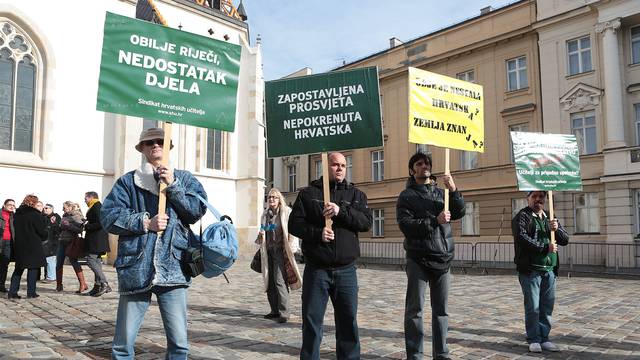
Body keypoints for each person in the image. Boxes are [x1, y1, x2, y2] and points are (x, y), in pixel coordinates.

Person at [101, 127, 207, 359]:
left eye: (160, 141)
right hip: (137, 268)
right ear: (142, 149)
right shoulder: (128, 182)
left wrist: (173, 186)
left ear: (168, 145)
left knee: (179, 344)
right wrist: (144, 222)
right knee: (123, 344)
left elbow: (195, 212)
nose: (155, 145)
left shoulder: (185, 178)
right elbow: (109, 217)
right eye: (150, 143)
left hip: (174, 268)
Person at [289, 152, 372, 360]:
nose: (340, 168)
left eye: (343, 165)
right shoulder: (308, 193)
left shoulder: (356, 195)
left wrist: (341, 211)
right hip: (317, 270)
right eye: (335, 165)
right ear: (326, 167)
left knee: (348, 323)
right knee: (312, 322)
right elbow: (294, 224)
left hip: (346, 271)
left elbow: (365, 222)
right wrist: (317, 234)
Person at [396, 152, 465, 360]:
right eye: (419, 163)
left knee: (441, 311)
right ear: (412, 170)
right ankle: (415, 354)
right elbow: (406, 226)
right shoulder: (406, 196)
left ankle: (441, 353)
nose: (424, 166)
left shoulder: (441, 193)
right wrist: (435, 220)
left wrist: (453, 190)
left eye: (427, 163)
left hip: (443, 258)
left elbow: (460, 211)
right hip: (418, 259)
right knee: (415, 311)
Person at [512, 191, 569, 353]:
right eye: (534, 196)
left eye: (541, 197)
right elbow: (522, 238)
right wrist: (545, 247)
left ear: (545, 199)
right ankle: (533, 338)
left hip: (550, 270)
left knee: (546, 306)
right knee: (533, 306)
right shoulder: (522, 216)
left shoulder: (550, 216)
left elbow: (565, 240)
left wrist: (556, 229)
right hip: (531, 270)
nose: (538, 200)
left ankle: (544, 337)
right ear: (528, 199)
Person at [255, 188, 301, 324]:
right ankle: (274, 310)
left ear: (279, 199)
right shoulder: (265, 215)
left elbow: (292, 231)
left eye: (274, 197)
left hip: (281, 251)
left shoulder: (286, 212)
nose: (271, 200)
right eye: (269, 197)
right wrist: (260, 235)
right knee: (269, 281)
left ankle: (284, 312)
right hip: (268, 251)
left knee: (279, 280)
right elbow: (263, 232)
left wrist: (292, 246)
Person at [8, 194, 47, 299]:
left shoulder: (17, 214)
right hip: (33, 245)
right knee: (33, 268)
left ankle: (12, 292)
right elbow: (41, 232)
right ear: (34, 203)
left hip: (20, 244)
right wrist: (45, 234)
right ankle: (31, 292)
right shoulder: (35, 215)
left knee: (18, 269)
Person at [82, 191, 112, 297]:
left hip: (96, 239)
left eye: (85, 198)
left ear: (91, 197)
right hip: (97, 239)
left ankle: (104, 283)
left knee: (90, 260)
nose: (84, 200)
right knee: (97, 262)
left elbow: (101, 223)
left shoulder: (97, 206)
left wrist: (87, 226)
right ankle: (97, 286)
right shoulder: (96, 206)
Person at [56, 201, 87, 293]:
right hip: (62, 241)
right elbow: (61, 228)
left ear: (70, 207)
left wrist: (68, 225)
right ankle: (59, 285)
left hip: (72, 241)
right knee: (59, 263)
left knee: (74, 262)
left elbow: (80, 229)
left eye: (64, 207)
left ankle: (82, 284)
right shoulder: (64, 216)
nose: (63, 209)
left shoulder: (77, 216)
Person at [42, 203, 61, 282]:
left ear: (51, 209)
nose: (45, 209)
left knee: (51, 258)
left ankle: (51, 277)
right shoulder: (44, 217)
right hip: (46, 242)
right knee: (47, 259)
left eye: (47, 208)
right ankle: (48, 275)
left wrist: (54, 223)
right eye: (44, 208)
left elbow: (58, 229)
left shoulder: (56, 217)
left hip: (53, 241)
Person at [0, 199, 16, 292]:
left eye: (13, 205)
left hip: (9, 242)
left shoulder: (13, 216)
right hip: (0, 241)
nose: (11, 206)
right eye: (9, 204)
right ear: (4, 205)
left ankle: (1, 285)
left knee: (4, 264)